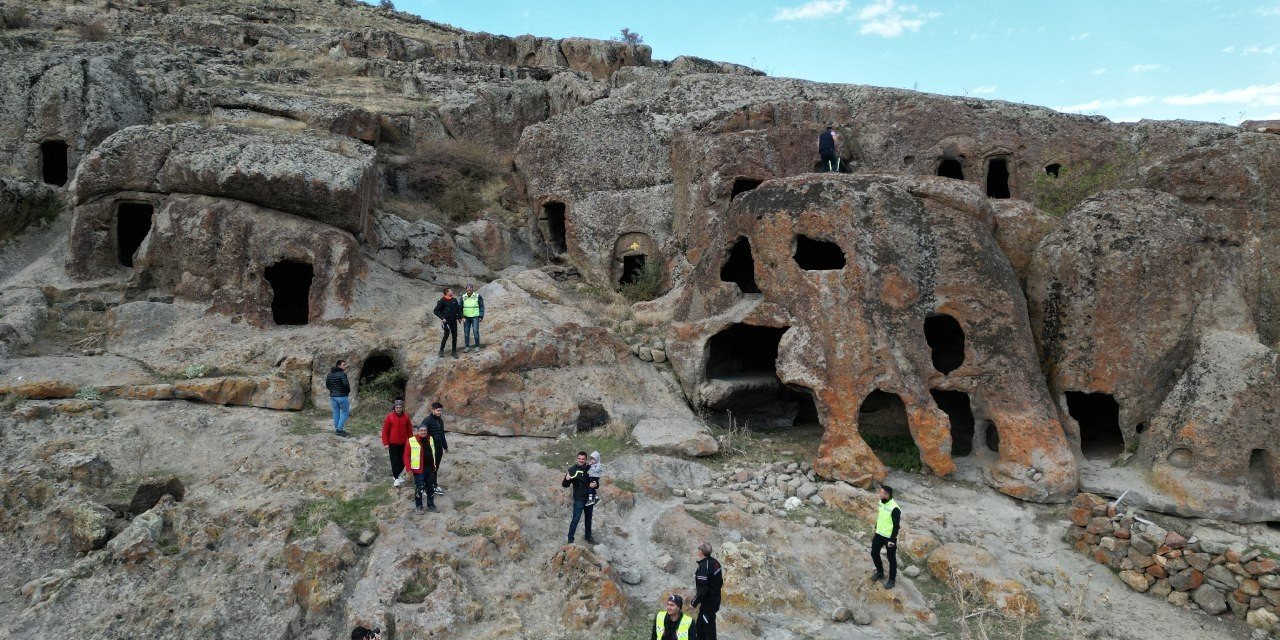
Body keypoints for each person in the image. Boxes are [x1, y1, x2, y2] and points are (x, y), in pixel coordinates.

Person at [562, 451, 597, 544]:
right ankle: (570, 539)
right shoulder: (572, 470)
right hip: (579, 498)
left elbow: (596, 482)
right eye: (579, 459)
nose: (581, 461)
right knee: (576, 519)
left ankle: (588, 536)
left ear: (586, 459)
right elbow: (564, 485)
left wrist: (596, 484)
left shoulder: (591, 468)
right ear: (577, 459)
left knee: (588, 518)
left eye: (583, 459)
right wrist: (567, 479)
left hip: (590, 497)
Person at [871, 484, 901, 589]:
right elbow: (880, 517)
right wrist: (876, 529)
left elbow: (896, 526)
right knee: (874, 552)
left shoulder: (895, 508)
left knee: (891, 558)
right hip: (879, 534)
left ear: (887, 495)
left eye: (881, 492)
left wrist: (892, 539)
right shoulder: (881, 502)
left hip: (889, 537)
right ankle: (880, 572)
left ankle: (892, 580)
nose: (879, 493)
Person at [691, 542, 723, 639]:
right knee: (700, 626)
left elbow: (702, 590)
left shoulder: (704, 567)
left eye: (699, 549)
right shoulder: (716, 562)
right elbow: (720, 582)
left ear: (701, 552)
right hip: (715, 600)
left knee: (708, 631)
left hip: (708, 604)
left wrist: (693, 603)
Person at [403, 424, 438, 512]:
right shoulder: (411, 440)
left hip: (430, 468)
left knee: (431, 487)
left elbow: (433, 452)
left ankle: (431, 505)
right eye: (421, 430)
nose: (423, 432)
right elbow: (406, 456)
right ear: (418, 431)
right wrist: (408, 468)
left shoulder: (430, 439)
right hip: (418, 469)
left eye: (425, 430)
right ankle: (419, 506)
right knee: (420, 487)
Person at [381, 399, 412, 487]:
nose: (398, 409)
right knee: (394, 461)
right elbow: (385, 431)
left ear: (402, 408)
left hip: (404, 443)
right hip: (393, 443)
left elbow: (409, 430)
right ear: (394, 408)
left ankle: (398, 475)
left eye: (400, 407)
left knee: (403, 460)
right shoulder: (389, 417)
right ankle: (396, 478)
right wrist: (385, 443)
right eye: (397, 407)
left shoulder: (406, 417)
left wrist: (411, 441)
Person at [420, 402, 449, 495]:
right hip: (430, 449)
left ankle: (434, 485)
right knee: (429, 468)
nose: (439, 412)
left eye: (441, 410)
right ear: (433, 410)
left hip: (439, 448)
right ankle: (425, 487)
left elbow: (442, 434)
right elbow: (422, 435)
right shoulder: (427, 421)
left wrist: (445, 446)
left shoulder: (440, 421)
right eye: (438, 410)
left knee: (435, 468)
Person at [434, 287, 463, 358]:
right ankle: (441, 350)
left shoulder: (454, 300)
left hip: (454, 320)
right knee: (446, 335)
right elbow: (436, 310)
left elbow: (458, 309)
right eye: (451, 291)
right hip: (446, 322)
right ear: (447, 293)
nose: (452, 292)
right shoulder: (442, 301)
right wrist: (442, 318)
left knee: (454, 335)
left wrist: (460, 317)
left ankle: (454, 351)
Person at [325, 359, 351, 435]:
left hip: (333, 396)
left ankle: (337, 429)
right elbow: (346, 385)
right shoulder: (342, 374)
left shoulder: (329, 374)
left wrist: (332, 391)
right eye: (344, 365)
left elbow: (327, 385)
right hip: (342, 396)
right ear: (339, 366)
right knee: (345, 412)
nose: (345, 366)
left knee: (336, 412)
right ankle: (339, 429)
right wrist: (346, 392)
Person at [460, 283, 485, 352]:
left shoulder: (477, 296)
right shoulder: (463, 297)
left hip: (475, 317)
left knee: (475, 331)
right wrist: (462, 317)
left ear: (472, 289)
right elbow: (460, 308)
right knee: (466, 332)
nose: (469, 289)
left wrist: (481, 316)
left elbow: (481, 306)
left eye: (471, 288)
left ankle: (477, 346)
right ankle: (467, 347)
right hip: (466, 317)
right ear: (466, 289)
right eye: (468, 288)